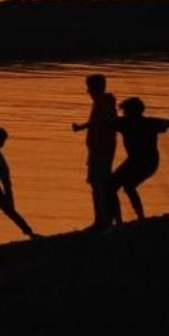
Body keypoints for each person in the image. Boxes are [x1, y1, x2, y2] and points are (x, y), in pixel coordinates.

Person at [71, 73, 120, 228]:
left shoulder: (104, 102)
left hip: (101, 150)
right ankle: (106, 219)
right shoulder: (104, 101)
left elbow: (102, 120)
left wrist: (82, 127)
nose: (88, 92)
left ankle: (102, 220)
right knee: (101, 184)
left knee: (98, 184)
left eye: (89, 88)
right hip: (99, 149)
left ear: (94, 88)